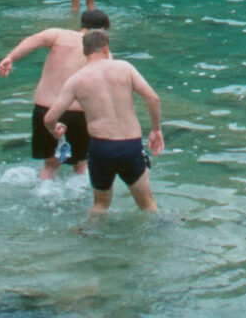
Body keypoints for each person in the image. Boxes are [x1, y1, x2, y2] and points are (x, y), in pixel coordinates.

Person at [42, 29, 163, 215]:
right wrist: (156, 130)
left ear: (85, 51)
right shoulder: (124, 68)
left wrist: (54, 130)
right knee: (147, 203)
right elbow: (153, 99)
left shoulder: (76, 80)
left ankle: (90, 236)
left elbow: (49, 117)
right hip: (130, 145)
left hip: (101, 148)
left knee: (100, 205)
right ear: (106, 47)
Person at [0, 9, 110, 179]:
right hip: (77, 113)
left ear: (82, 24)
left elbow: (31, 41)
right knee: (80, 166)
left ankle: (43, 196)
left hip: (46, 110)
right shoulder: (103, 53)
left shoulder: (57, 34)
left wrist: (10, 58)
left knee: (49, 166)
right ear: (102, 30)